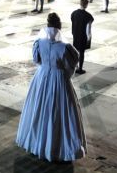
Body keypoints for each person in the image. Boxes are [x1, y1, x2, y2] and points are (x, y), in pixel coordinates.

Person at [15, 12, 87, 162]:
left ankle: (37, 143)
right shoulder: (65, 48)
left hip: (41, 78)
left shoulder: (39, 43)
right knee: (58, 113)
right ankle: (56, 147)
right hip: (59, 79)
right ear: (59, 28)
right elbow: (71, 65)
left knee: (39, 110)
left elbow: (36, 60)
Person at [70, 0, 94, 75]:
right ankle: (80, 68)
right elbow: (88, 29)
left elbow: (73, 23)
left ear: (80, 3)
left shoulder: (73, 13)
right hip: (83, 36)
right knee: (82, 52)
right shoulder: (88, 16)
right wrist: (89, 37)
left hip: (75, 34)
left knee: (76, 51)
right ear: (86, 5)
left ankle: (75, 66)